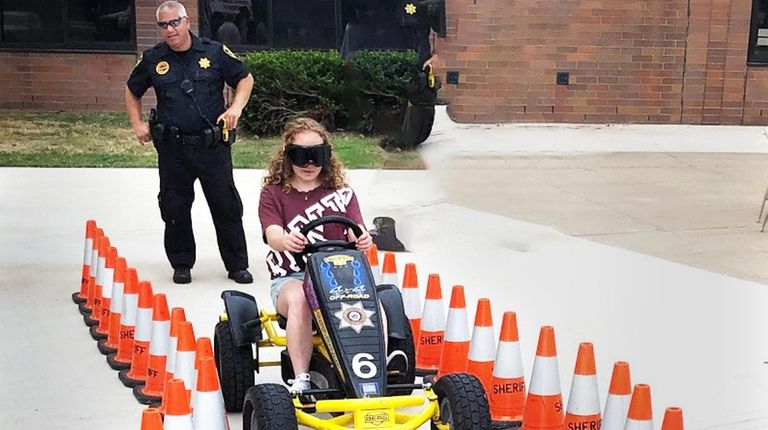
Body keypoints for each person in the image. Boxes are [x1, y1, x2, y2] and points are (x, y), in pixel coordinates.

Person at [125, 1, 254, 285]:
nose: (170, 30)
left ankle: (237, 265)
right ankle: (182, 263)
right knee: (174, 208)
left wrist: (235, 108)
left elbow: (244, 79)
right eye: (163, 25)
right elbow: (132, 90)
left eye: (174, 23)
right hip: (173, 148)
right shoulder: (152, 59)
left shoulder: (214, 52)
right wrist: (137, 124)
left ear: (186, 22)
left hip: (212, 148)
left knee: (226, 206)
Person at [258, 117, 374, 392]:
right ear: (288, 157)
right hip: (293, 276)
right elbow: (272, 233)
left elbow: (357, 228)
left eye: (316, 156)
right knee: (300, 299)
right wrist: (286, 240)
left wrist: (362, 238)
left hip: (339, 275)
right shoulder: (273, 194)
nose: (309, 164)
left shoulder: (342, 193)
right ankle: (301, 378)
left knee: (377, 301)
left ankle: (377, 369)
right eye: (301, 156)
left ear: (326, 156)